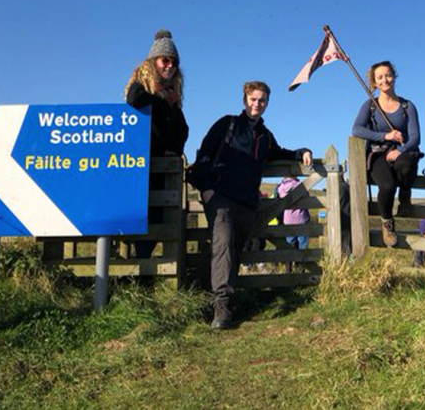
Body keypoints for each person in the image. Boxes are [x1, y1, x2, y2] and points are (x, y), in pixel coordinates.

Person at [189, 81, 312, 330]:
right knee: (223, 243)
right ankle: (221, 306)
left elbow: (279, 152)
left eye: (262, 100)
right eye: (253, 99)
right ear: (245, 100)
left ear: (267, 103)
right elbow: (203, 155)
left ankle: (227, 300)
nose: (257, 104)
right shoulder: (228, 124)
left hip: (246, 202)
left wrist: (301, 152)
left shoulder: (264, 136)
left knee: (235, 248)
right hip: (220, 197)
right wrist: (208, 190)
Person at [124, 30, 189, 259]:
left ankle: (142, 269)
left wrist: (175, 150)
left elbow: (182, 129)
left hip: (164, 167)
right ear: (154, 62)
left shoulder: (173, 95)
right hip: (141, 164)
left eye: (174, 62)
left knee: (160, 216)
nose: (169, 66)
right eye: (165, 60)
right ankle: (137, 270)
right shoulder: (142, 84)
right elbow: (134, 100)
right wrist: (162, 101)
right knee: (141, 215)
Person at [352, 61, 421, 248]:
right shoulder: (370, 105)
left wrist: (401, 150)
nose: (385, 80)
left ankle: (405, 194)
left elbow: (415, 137)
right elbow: (356, 130)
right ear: (374, 82)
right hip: (378, 154)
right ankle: (387, 223)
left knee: (406, 165)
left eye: (388, 75)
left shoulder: (408, 106)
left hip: (403, 152)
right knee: (387, 187)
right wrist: (385, 135)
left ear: (394, 76)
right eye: (380, 77)